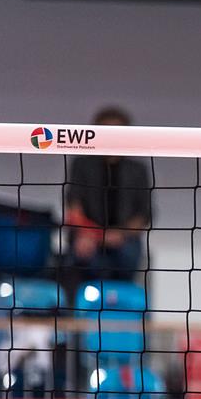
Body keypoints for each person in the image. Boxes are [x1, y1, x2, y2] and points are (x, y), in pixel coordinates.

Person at [63, 106, 153, 285]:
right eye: (107, 133)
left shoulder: (137, 170)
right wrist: (93, 235)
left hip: (124, 239)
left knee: (128, 256)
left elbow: (144, 215)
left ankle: (122, 300)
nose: (112, 140)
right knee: (84, 258)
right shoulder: (82, 166)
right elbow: (74, 207)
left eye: (117, 133)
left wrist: (118, 234)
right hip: (88, 236)